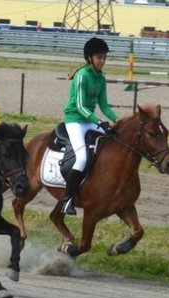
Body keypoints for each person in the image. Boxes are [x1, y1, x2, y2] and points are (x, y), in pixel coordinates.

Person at [60, 37, 118, 216]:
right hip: (75, 121)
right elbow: (80, 106)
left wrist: (119, 122)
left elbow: (105, 106)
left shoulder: (101, 78)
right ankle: (67, 199)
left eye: (104, 57)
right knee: (82, 158)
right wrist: (99, 122)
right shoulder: (81, 76)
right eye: (99, 57)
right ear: (89, 58)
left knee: (114, 141)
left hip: (89, 120)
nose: (102, 61)